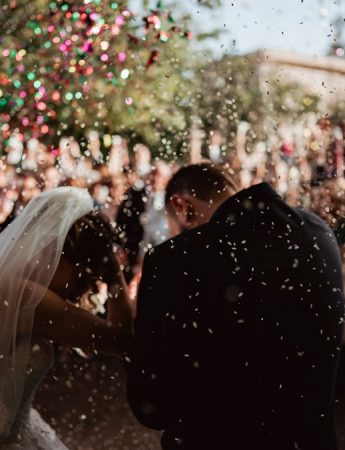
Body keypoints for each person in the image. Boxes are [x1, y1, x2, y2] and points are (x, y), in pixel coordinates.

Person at [127, 163, 345, 450]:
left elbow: (152, 405)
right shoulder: (318, 232)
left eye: (172, 226)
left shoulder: (176, 259)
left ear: (183, 207)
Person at [0, 187, 132, 449]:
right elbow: (122, 340)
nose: (81, 289)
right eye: (83, 274)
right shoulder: (25, 295)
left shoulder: (12, 285)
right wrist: (115, 275)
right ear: (56, 250)